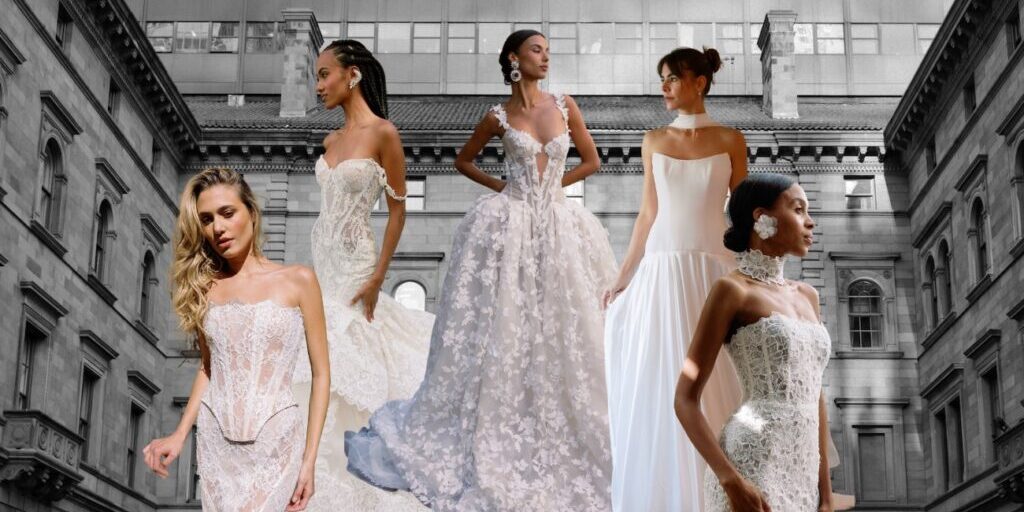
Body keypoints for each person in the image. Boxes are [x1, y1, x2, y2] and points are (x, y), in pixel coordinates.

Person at [344, 29, 617, 511]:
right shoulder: (497, 116)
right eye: (537, 50)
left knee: (565, 330)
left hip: (559, 226)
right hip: (508, 224)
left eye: (548, 51)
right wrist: (505, 187)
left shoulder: (565, 104)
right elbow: (462, 161)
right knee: (505, 326)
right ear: (514, 58)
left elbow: (592, 161)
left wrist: (553, 188)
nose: (545, 57)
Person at [602, 46, 747, 512]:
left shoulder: (731, 138)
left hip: (714, 267)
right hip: (662, 271)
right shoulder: (652, 139)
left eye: (672, 77)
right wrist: (623, 277)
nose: (663, 85)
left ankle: (724, 490)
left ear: (699, 82)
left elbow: (743, 214)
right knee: (662, 377)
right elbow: (648, 214)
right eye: (661, 78)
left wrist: (759, 275)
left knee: (720, 380)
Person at [293, 39, 433, 510]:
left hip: (356, 266)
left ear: (352, 75)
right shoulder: (331, 141)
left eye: (323, 74)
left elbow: (397, 212)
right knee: (316, 364)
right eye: (315, 76)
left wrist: (377, 278)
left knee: (353, 361)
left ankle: (358, 485)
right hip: (323, 264)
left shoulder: (384, 134)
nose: (318, 86)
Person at [142, 167, 330, 511]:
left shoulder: (299, 279)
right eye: (207, 219)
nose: (218, 228)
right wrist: (180, 434)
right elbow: (209, 367)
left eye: (228, 213)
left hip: (276, 440)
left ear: (252, 214)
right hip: (216, 443)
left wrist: (309, 461)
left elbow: (321, 375)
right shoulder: (204, 288)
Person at [675, 173, 835, 512]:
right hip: (752, 461)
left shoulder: (808, 296)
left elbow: (815, 396)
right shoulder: (733, 291)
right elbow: (685, 399)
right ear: (763, 218)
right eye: (798, 209)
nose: (810, 221)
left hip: (803, 470)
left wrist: (826, 493)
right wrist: (730, 480)